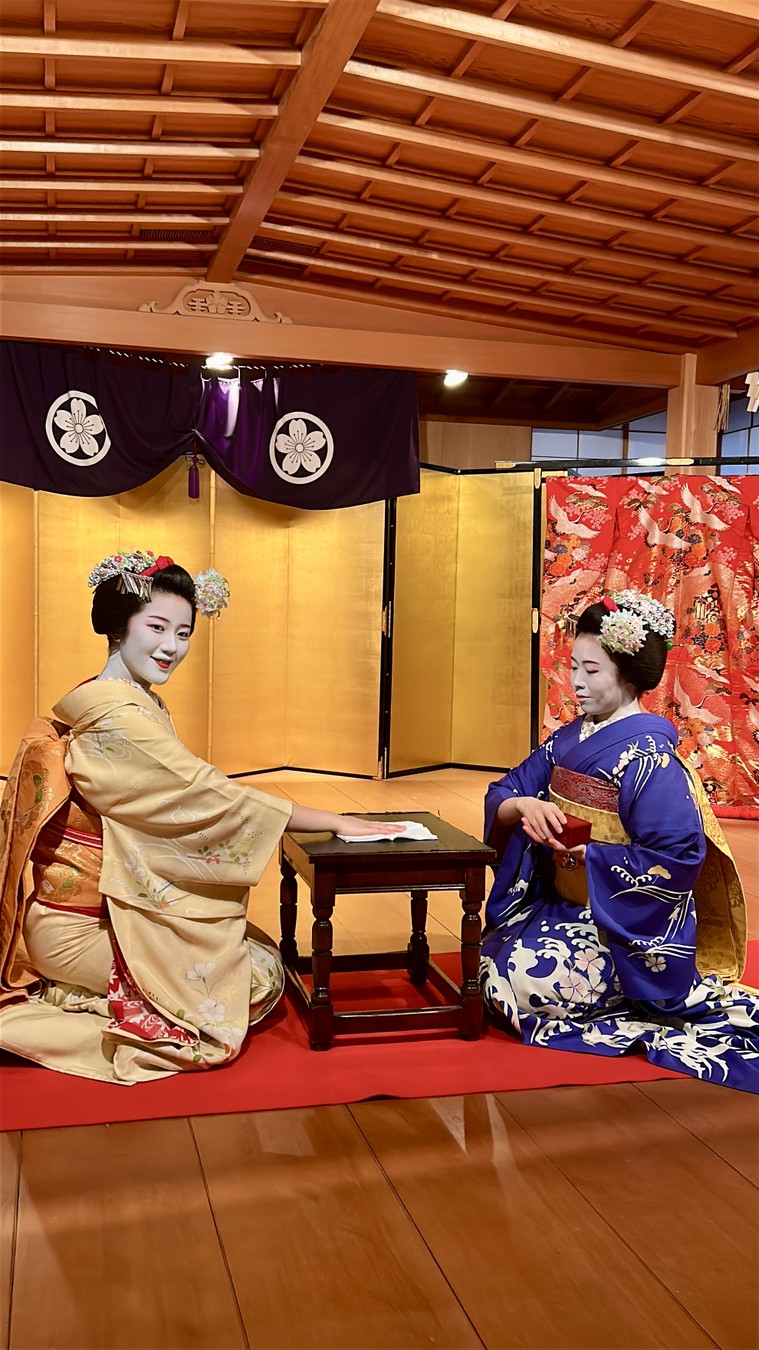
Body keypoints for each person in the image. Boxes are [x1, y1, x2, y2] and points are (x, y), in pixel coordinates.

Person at [0, 550, 403, 1084]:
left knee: (255, 951)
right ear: (118, 628)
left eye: (184, 633)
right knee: (253, 979)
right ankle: (89, 1005)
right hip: (76, 927)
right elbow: (205, 795)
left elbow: (176, 801)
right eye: (157, 627)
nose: (171, 646)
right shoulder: (116, 717)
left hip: (99, 912)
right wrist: (333, 819)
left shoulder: (129, 700)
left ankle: (99, 991)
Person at [480, 590, 759, 1093]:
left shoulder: (650, 757)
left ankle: (636, 994)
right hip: (560, 903)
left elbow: (676, 856)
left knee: (519, 983)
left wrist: (591, 856)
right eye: (573, 667)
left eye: (592, 670)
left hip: (622, 924)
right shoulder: (569, 738)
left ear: (629, 676)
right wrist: (523, 807)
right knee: (487, 967)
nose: (577, 682)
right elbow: (506, 788)